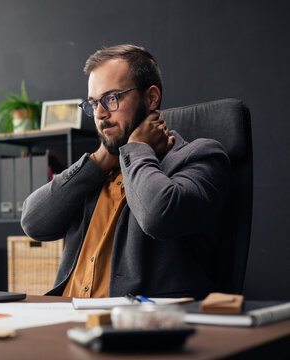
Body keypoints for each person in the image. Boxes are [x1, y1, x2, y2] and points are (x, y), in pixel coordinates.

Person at [21, 44, 230, 299]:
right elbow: (33, 223)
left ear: (151, 98)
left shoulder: (202, 156)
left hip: (134, 325)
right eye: (93, 103)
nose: (99, 114)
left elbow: (158, 216)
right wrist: (99, 159)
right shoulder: (96, 172)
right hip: (65, 314)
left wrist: (137, 148)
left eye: (112, 98)